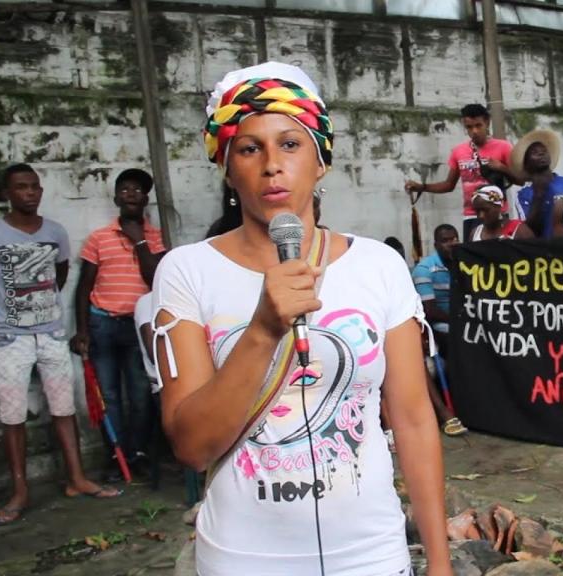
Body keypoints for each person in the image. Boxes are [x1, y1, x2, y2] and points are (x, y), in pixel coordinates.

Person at [152, 62, 451, 574]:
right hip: (242, 559)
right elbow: (192, 447)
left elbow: (414, 420)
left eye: (290, 144)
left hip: (371, 556)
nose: (272, 165)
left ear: (321, 161)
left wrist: (440, 564)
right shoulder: (186, 272)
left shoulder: (378, 265)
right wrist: (264, 329)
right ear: (227, 167)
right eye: (250, 148)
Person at [0, 164, 121, 525]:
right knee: (12, 415)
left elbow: (60, 277)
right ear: (6, 193)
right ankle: (19, 491)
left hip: (50, 332)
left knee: (64, 408)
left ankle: (76, 479)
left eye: (34, 187)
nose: (30, 193)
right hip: (8, 336)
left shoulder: (55, 232)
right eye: (21, 187)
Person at [72, 167, 167, 479]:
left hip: (138, 328)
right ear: (116, 197)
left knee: (141, 394)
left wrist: (140, 242)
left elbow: (155, 279)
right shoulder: (99, 238)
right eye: (124, 189)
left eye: (137, 190)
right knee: (109, 396)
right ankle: (116, 457)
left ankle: (137, 453)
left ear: (146, 199)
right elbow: (84, 286)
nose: (131, 193)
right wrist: (82, 330)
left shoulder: (156, 237)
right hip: (103, 326)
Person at [404, 104, 519, 242]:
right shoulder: (458, 151)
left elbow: (520, 180)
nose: (474, 131)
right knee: (473, 261)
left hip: (498, 216)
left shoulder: (503, 147)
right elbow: (448, 185)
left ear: (487, 122)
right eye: (469, 127)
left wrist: (502, 168)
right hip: (471, 216)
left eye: (478, 125)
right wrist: (422, 187)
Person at [411, 224, 467, 436]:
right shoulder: (425, 270)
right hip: (437, 326)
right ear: (436, 244)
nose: (452, 243)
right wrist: (461, 320)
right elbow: (430, 311)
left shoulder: (464, 263)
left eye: (454, 238)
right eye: (446, 240)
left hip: (462, 319)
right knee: (457, 338)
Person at [511, 129, 563, 239]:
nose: (541, 153)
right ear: (526, 164)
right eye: (534, 153)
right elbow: (528, 229)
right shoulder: (523, 195)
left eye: (544, 150)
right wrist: (539, 195)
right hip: (544, 250)